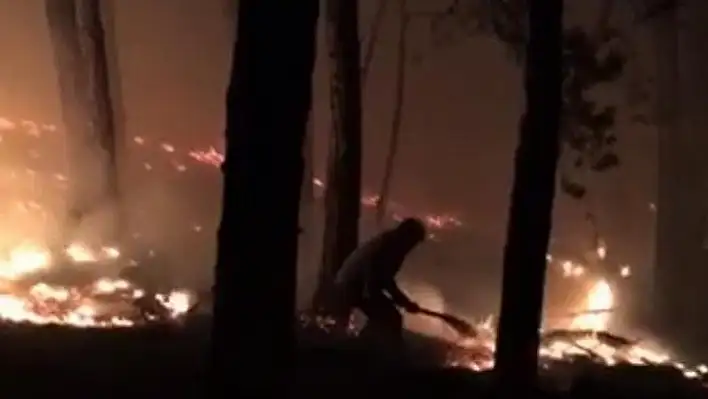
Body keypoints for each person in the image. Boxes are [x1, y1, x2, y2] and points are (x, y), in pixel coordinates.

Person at [333, 217, 427, 343]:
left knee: (386, 317)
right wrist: (402, 301)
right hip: (352, 286)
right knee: (391, 317)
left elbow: (385, 279)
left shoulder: (391, 244)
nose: (413, 246)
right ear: (407, 236)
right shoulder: (389, 246)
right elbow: (376, 276)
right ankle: (372, 347)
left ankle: (367, 344)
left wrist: (402, 301)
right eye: (413, 241)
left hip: (354, 284)